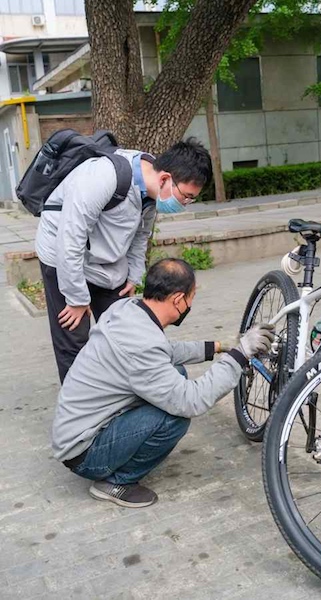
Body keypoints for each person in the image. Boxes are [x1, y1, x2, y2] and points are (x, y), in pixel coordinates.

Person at [52, 258, 275, 508]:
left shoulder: (127, 309)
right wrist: (240, 355)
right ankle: (116, 482)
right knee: (175, 417)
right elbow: (192, 401)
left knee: (175, 372)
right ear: (179, 300)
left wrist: (220, 347)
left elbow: (165, 351)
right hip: (85, 452)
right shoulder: (142, 344)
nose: (191, 303)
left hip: (79, 428)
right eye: (192, 297)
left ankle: (126, 451)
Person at [35, 137, 212, 383]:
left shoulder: (152, 193)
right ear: (165, 179)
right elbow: (70, 238)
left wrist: (133, 275)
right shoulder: (104, 177)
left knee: (122, 329)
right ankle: (81, 415)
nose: (186, 204)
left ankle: (116, 395)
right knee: (74, 336)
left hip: (103, 259)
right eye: (186, 196)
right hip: (61, 255)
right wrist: (76, 299)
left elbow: (141, 236)